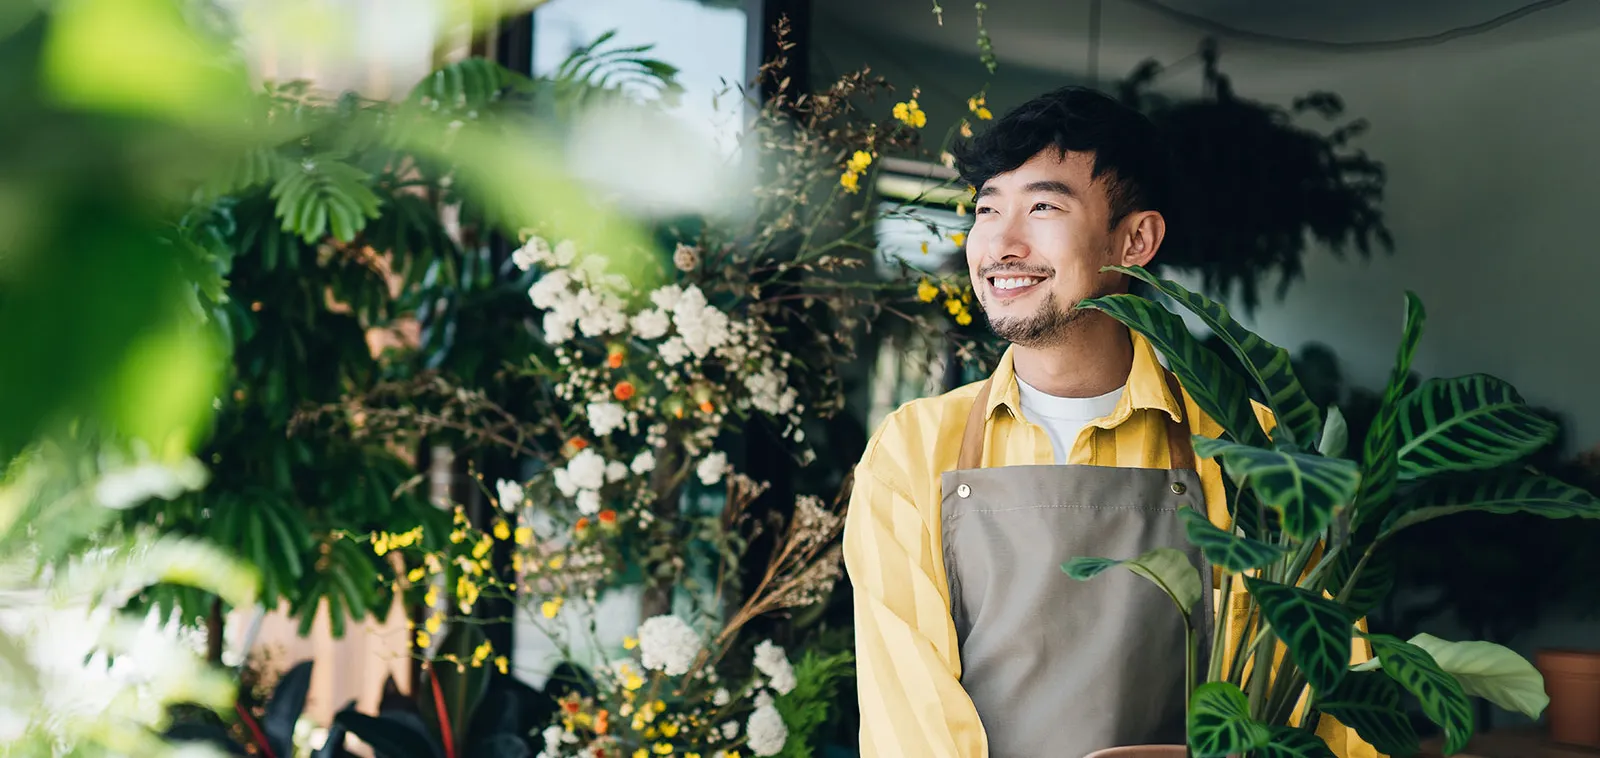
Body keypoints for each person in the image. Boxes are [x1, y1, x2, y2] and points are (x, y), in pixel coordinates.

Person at [841, 86, 1380, 758]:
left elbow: (1329, 710)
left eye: (1042, 206)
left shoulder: (1257, 450)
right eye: (986, 209)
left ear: (1136, 238)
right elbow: (908, 726)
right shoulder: (914, 450)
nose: (1001, 244)